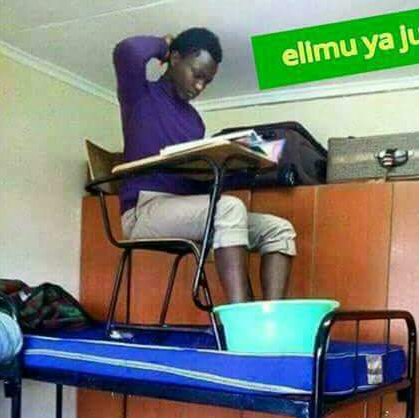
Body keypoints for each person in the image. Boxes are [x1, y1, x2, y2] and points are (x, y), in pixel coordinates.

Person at [113, 28, 296, 303]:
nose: (200, 87)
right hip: (143, 211)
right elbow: (127, 50)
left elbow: (193, 180)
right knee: (229, 208)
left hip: (186, 210)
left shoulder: (194, 121)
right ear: (175, 59)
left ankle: (269, 320)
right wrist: (164, 45)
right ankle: (239, 318)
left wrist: (244, 166)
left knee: (279, 229)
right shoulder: (140, 96)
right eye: (197, 75)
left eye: (207, 82)